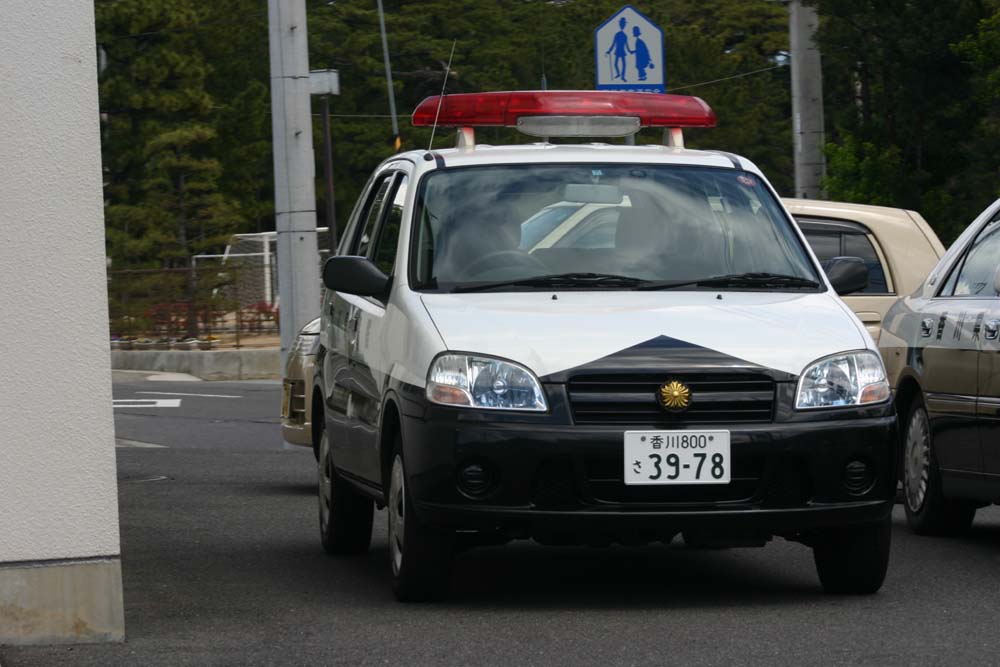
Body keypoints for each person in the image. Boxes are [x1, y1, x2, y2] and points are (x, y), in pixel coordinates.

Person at [606, 17, 629, 82]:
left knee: (624, 64)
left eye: (624, 24)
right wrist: (609, 50)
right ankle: (618, 74)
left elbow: (627, 46)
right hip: (618, 51)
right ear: (620, 24)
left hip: (622, 51)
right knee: (616, 64)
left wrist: (631, 51)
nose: (623, 25)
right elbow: (613, 43)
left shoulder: (625, 35)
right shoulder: (617, 34)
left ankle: (623, 76)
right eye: (622, 24)